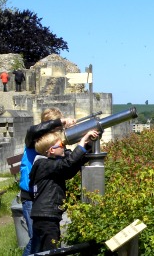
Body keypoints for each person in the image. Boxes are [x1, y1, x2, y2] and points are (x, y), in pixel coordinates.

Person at [30, 128, 100, 253]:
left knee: (43, 251)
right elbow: (68, 163)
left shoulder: (48, 165)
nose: (64, 147)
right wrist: (81, 142)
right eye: (62, 145)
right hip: (47, 217)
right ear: (51, 150)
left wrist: (88, 144)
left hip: (45, 216)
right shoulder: (43, 164)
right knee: (51, 252)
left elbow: (71, 167)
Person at [19, 108, 76, 256]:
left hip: (42, 195)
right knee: (35, 240)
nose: (59, 131)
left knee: (39, 240)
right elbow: (33, 130)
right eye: (57, 127)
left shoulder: (48, 142)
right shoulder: (35, 140)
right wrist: (61, 121)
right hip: (31, 195)